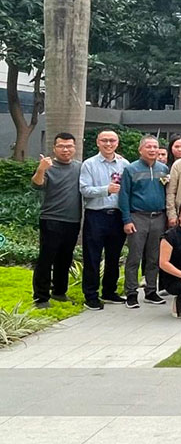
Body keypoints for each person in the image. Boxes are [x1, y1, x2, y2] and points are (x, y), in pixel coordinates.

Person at [79, 128, 130, 309]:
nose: (108, 144)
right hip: (96, 215)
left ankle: (109, 291)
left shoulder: (124, 164)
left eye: (112, 140)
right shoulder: (89, 164)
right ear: (97, 143)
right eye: (104, 140)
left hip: (117, 216)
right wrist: (105, 190)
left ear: (117, 143)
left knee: (114, 257)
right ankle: (91, 295)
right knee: (92, 256)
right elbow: (84, 189)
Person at [31, 133, 83, 309]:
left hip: (73, 220)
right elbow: (37, 184)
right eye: (61, 146)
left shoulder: (80, 167)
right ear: (54, 148)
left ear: (74, 148)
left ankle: (59, 292)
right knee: (46, 258)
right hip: (51, 219)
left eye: (69, 146)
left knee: (65, 258)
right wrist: (41, 169)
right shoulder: (48, 166)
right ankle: (41, 297)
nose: (65, 149)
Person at [119, 135, 170, 308]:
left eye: (155, 147)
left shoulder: (163, 169)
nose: (152, 150)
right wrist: (127, 220)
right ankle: (131, 293)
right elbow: (124, 195)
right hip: (137, 217)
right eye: (148, 146)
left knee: (154, 257)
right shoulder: (130, 169)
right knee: (134, 256)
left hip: (159, 217)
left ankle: (151, 290)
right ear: (140, 149)